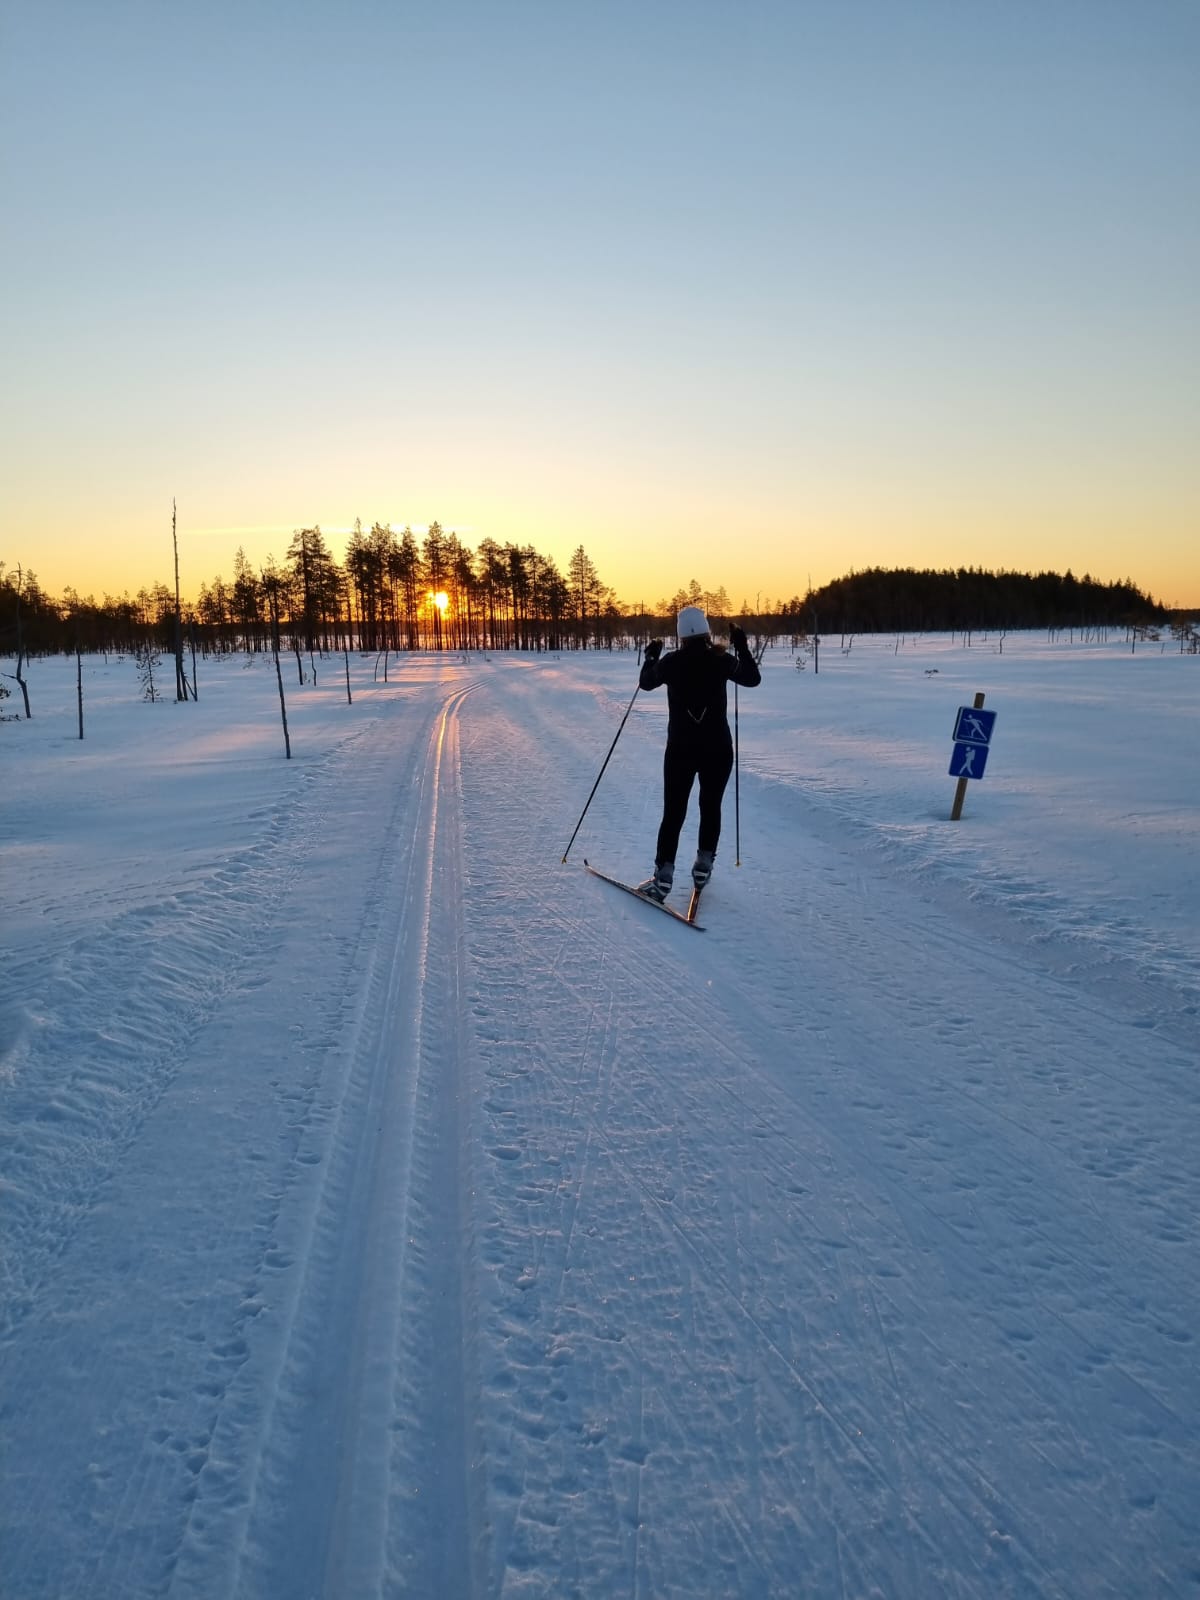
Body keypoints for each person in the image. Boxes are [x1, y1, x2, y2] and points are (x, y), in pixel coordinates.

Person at [636, 606, 761, 901]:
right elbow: (752, 678)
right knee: (711, 806)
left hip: (680, 751)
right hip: (718, 750)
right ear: (706, 631)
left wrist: (651, 656)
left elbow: (645, 682)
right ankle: (703, 866)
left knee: (673, 812)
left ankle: (663, 877)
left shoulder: (671, 662)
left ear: (681, 635)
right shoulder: (721, 659)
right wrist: (741, 646)